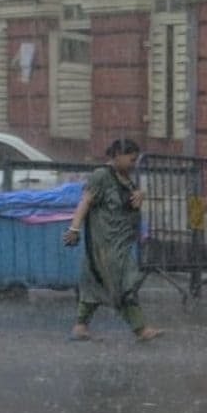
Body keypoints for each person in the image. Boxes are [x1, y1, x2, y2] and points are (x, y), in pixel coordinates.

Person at [62, 138, 164, 342]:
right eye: (131, 159)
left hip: (120, 243)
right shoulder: (101, 175)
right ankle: (140, 329)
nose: (133, 164)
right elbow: (86, 201)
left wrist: (140, 195)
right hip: (105, 245)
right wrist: (74, 228)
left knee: (95, 283)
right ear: (117, 155)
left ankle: (80, 326)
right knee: (125, 283)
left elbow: (128, 204)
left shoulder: (125, 178)